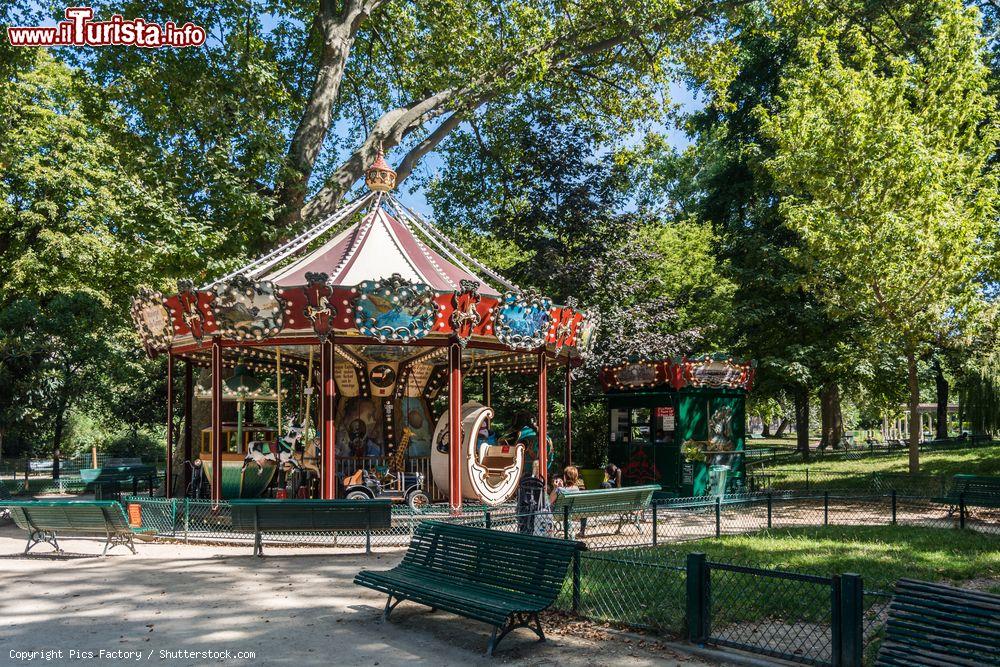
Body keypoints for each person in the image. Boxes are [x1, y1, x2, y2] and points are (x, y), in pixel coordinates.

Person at [550, 465, 588, 537]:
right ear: (576, 478)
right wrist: (561, 487)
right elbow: (568, 490)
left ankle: (567, 533)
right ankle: (582, 532)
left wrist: (555, 488)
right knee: (584, 510)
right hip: (577, 513)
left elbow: (550, 501)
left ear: (565, 477)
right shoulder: (577, 489)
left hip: (560, 514)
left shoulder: (559, 490)